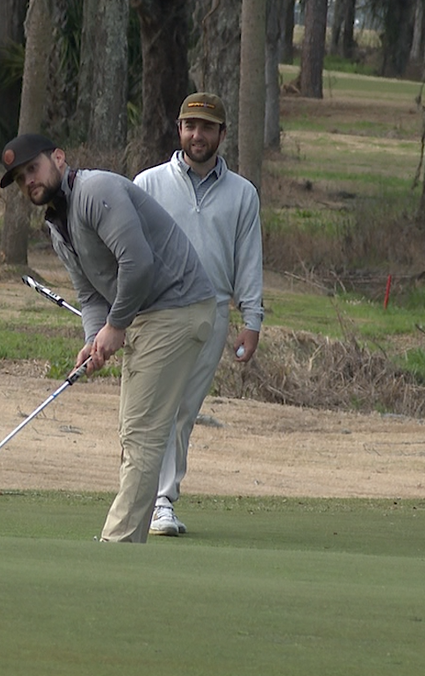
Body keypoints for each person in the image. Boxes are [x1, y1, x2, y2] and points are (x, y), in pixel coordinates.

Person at [0, 133, 217, 543]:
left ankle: (117, 545)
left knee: (141, 434)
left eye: (33, 168)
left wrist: (116, 327)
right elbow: (90, 293)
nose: (29, 180)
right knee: (135, 433)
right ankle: (126, 543)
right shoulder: (58, 224)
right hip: (152, 314)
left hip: (177, 308)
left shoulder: (96, 191)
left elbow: (137, 263)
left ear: (58, 158)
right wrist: (94, 338)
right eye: (20, 177)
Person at [133, 92, 264, 536]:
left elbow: (248, 261)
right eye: (190, 126)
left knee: (183, 409)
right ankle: (149, 498)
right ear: (179, 129)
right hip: (156, 311)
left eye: (207, 127)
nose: (197, 135)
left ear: (222, 134)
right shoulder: (148, 184)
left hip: (211, 312)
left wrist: (252, 320)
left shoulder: (243, 194)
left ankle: (161, 500)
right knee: (151, 407)